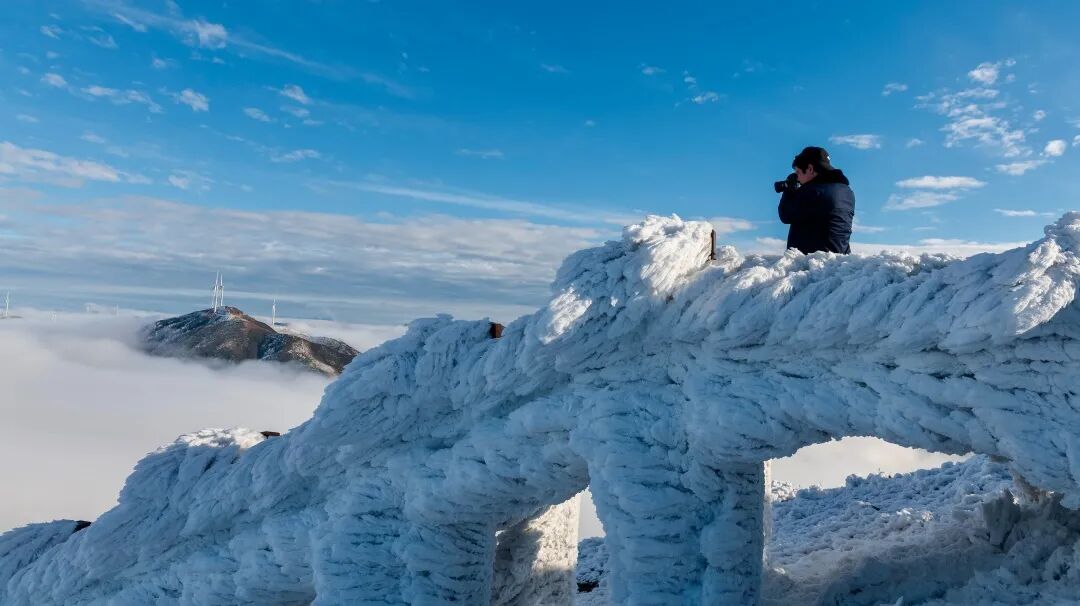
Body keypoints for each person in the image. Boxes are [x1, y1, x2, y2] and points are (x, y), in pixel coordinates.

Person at [776, 146, 855, 254]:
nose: (797, 178)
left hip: (811, 263)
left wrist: (789, 189)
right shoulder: (847, 192)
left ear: (810, 169)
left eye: (798, 172)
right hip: (838, 262)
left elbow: (785, 215)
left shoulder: (812, 191)